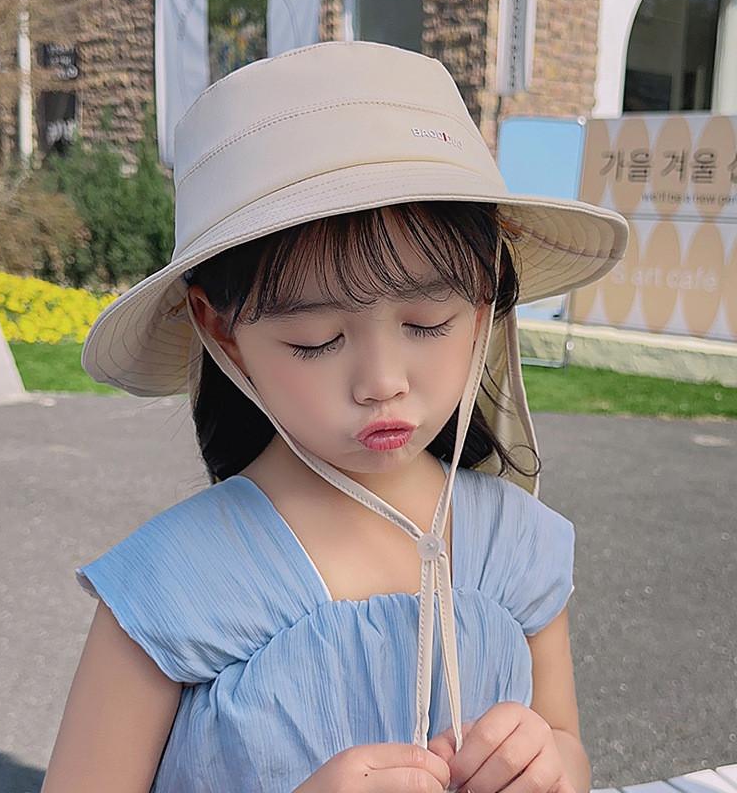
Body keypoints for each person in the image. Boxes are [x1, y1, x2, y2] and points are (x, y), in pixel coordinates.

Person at [41, 41, 629, 793]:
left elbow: (567, 744)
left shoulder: (516, 546)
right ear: (222, 331)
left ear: (485, 299)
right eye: (315, 339)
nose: (383, 383)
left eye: (427, 323)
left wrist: (550, 765)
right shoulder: (172, 584)